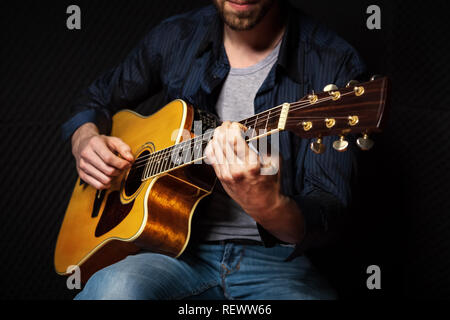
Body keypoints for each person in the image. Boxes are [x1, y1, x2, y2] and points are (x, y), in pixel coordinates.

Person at [62, 0, 366, 300]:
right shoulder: (176, 36)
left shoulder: (332, 61)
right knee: (113, 293)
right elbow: (94, 100)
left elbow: (329, 213)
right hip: (172, 250)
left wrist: (267, 203)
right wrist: (84, 139)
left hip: (276, 261)